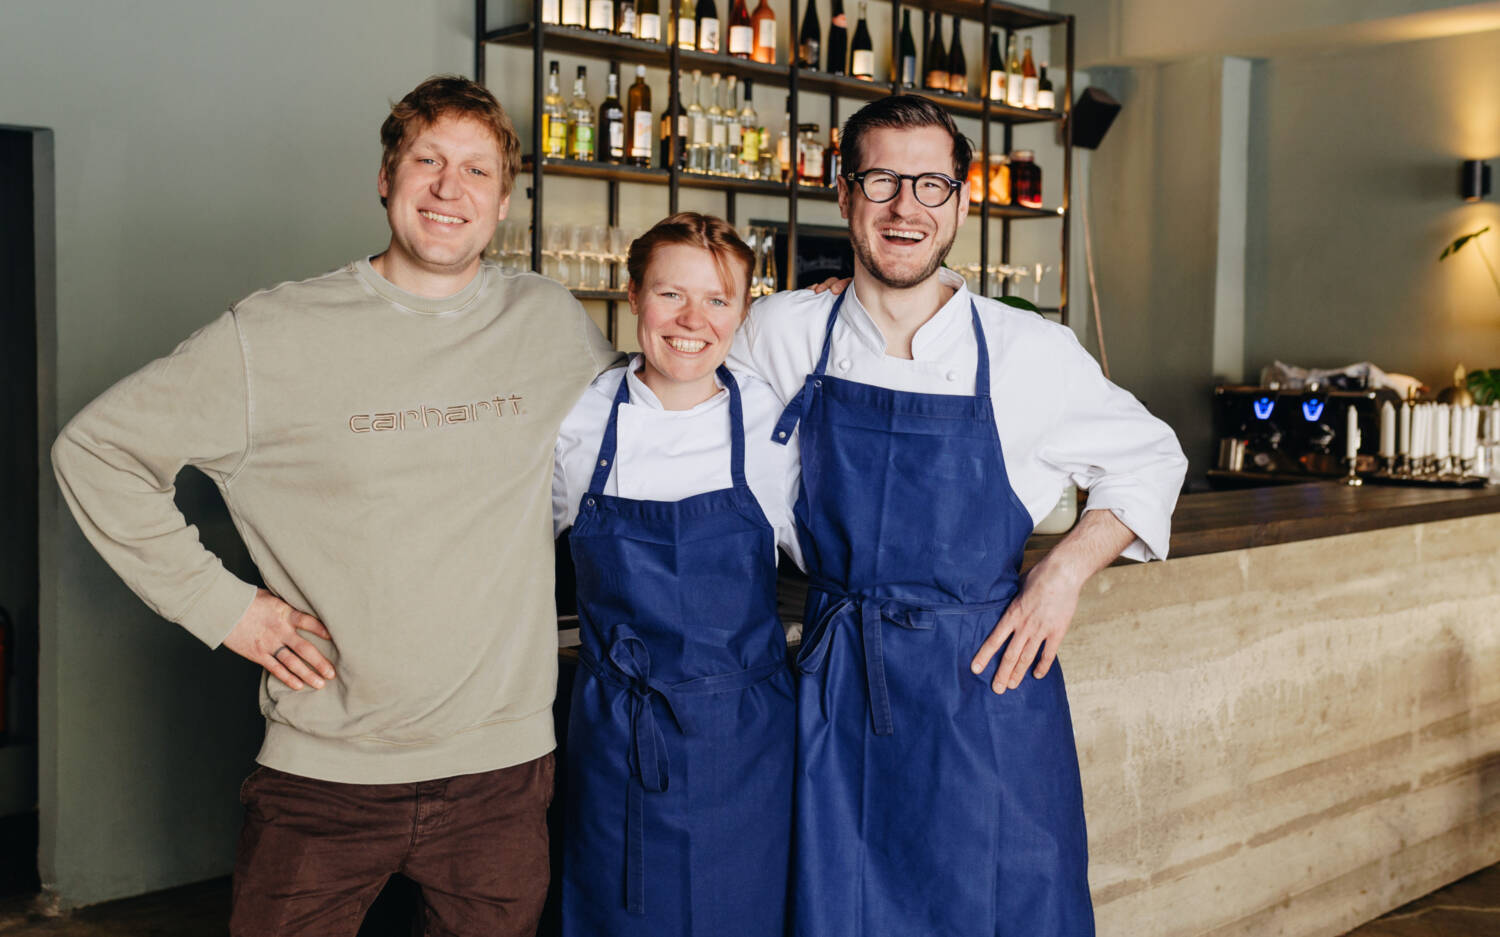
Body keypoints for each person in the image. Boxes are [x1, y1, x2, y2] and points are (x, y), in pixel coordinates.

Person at [51, 76, 620, 937]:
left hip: (502, 774)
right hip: (323, 777)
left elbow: (657, 407)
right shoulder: (273, 334)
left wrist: (805, 321)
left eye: (475, 169)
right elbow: (94, 450)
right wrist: (224, 607)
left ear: (503, 201)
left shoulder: (548, 322)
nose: (448, 187)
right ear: (386, 178)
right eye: (427, 160)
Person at [729, 94, 1189, 936]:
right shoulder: (780, 329)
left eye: (931, 184)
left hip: (985, 685)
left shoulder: (1028, 352)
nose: (906, 207)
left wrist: (1063, 572)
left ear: (963, 202)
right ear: (843, 194)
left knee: (1007, 904)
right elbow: (680, 387)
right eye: (881, 181)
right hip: (838, 689)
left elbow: (1152, 456)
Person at [551, 212, 803, 937]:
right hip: (615, 731)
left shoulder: (774, 423)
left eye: (718, 300)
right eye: (670, 295)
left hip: (744, 742)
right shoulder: (578, 419)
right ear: (632, 296)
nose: (693, 320)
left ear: (743, 312)